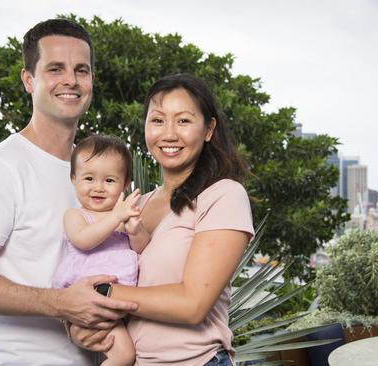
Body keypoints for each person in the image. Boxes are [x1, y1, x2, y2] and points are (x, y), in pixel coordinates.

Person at [0, 19, 137, 365]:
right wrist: (62, 305)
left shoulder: (94, 174)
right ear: (28, 80)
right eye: (55, 68)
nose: (71, 81)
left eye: (82, 70)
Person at [71, 74, 254, 365]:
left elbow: (192, 305)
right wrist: (83, 328)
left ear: (209, 129)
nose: (169, 134)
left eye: (183, 121)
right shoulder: (134, 206)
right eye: (157, 120)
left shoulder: (223, 196)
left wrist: (99, 294)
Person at [52, 134, 150, 366]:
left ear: (125, 184)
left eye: (109, 181)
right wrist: (116, 217)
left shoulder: (123, 216)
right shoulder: (76, 215)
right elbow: (84, 240)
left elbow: (142, 248)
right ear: (73, 179)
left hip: (117, 301)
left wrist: (135, 230)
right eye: (89, 178)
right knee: (124, 356)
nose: (98, 188)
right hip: (90, 300)